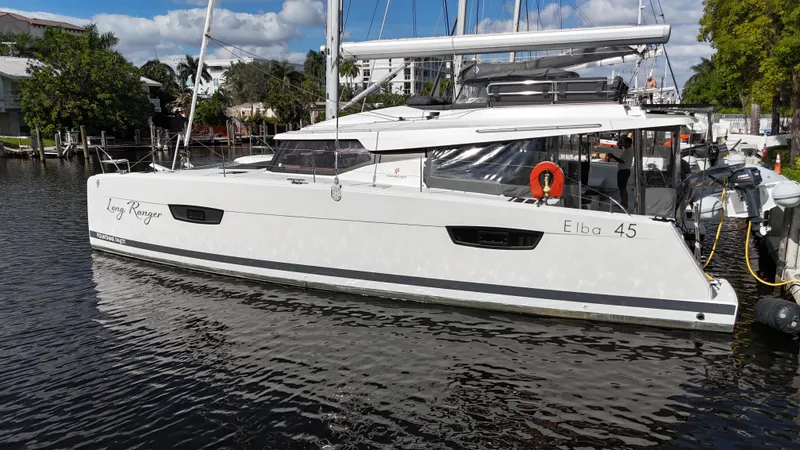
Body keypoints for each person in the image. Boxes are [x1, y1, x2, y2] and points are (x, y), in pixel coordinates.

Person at [606, 136, 634, 210]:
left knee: (622, 188)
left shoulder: (628, 151)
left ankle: (624, 204)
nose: (623, 143)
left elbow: (622, 161)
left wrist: (613, 156)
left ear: (628, 143)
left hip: (624, 171)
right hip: (624, 170)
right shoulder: (628, 150)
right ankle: (623, 203)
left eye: (624, 142)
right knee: (622, 188)